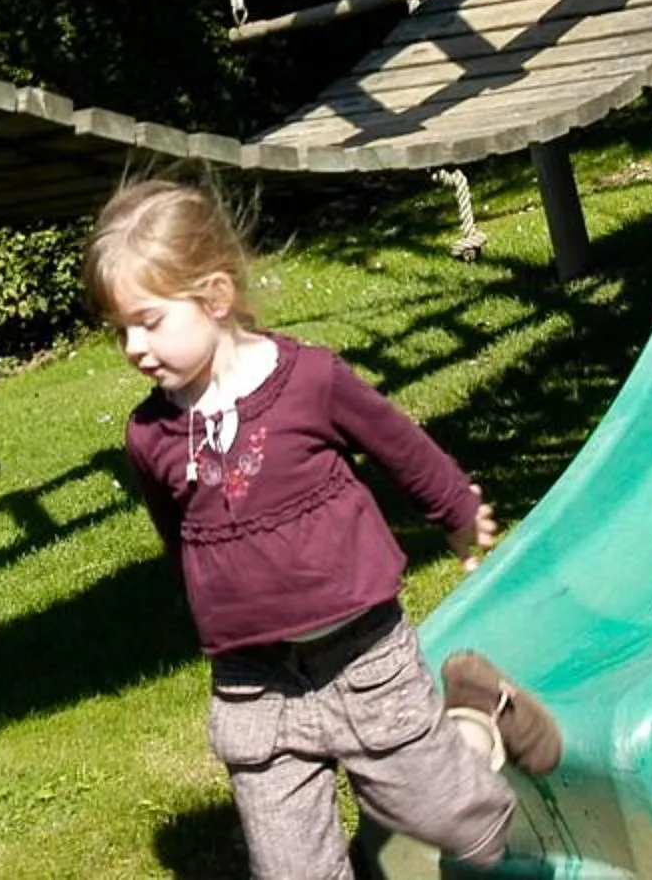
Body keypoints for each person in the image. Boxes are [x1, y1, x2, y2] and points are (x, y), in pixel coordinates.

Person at [89, 179, 561, 879]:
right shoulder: (149, 434)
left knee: (453, 818)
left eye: (149, 322)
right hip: (254, 682)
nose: (133, 346)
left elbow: (397, 443)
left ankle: (480, 716)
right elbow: (176, 531)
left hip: (362, 657)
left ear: (215, 297)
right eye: (119, 330)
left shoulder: (309, 380)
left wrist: (457, 511)